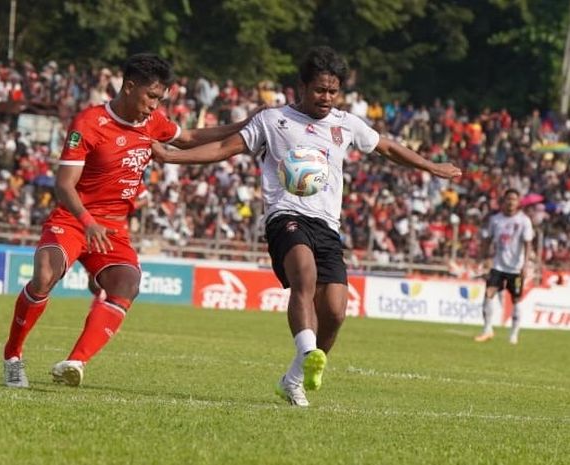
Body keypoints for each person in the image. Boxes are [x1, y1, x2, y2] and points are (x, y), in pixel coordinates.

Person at [152, 46, 462, 406]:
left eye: (333, 91)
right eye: (319, 90)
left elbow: (388, 148)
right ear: (302, 86)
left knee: (335, 312)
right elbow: (224, 147)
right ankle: (308, 349)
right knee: (304, 277)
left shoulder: (345, 124)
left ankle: (296, 376)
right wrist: (173, 157)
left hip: (327, 224)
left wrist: (432, 166)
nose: (326, 98)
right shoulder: (272, 120)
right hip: (285, 216)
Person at [3, 53, 260, 388]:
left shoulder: (153, 122)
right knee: (44, 277)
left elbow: (189, 138)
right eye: (151, 96)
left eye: (160, 99)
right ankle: (12, 356)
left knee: (128, 283)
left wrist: (247, 125)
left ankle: (74, 362)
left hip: (113, 228)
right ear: (129, 86)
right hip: (73, 219)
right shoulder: (89, 122)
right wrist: (87, 220)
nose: (154, 105)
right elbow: (64, 184)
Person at [474, 188, 534, 345]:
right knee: (489, 293)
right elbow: (487, 239)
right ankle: (487, 329)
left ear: (518, 202)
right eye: (508, 199)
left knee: (516, 299)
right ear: (504, 201)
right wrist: (483, 258)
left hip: (516, 268)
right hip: (498, 266)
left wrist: (526, 264)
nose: (511, 202)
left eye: (514, 199)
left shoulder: (524, 221)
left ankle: (514, 334)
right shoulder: (496, 220)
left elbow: (528, 243)